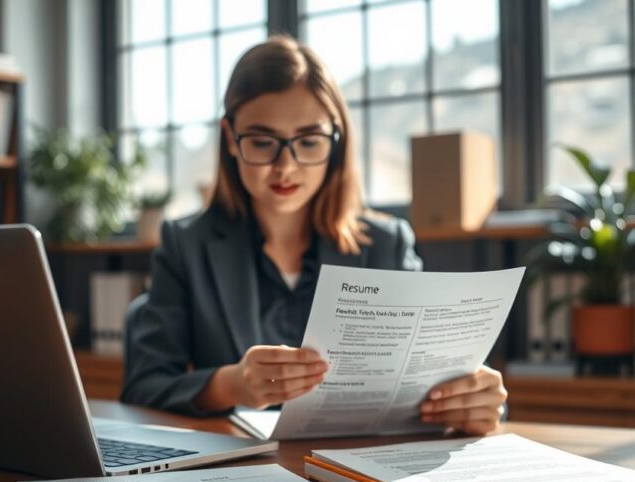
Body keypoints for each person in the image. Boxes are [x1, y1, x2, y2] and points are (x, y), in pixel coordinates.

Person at [121, 36, 507, 436]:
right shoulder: (187, 246)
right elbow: (143, 389)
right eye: (262, 142)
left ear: (336, 142)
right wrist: (232, 383)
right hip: (239, 471)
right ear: (230, 139)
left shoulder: (387, 245)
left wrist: (476, 401)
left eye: (308, 142)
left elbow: (443, 380)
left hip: (358, 470)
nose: (286, 167)